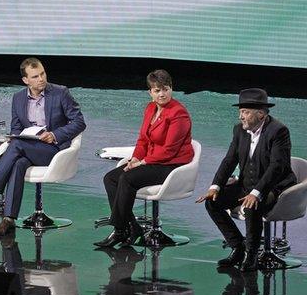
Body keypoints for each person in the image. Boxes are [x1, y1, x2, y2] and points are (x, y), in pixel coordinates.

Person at [0, 57, 86, 236]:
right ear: (25, 80)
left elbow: (79, 122)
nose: (41, 79)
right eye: (35, 76)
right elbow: (17, 128)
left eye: (42, 74)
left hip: (53, 150)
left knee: (17, 148)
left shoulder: (61, 93)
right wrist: (15, 138)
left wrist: (54, 135)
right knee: (17, 162)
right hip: (28, 147)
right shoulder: (18, 98)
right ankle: (8, 220)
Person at [196, 88, 296, 271]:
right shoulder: (239, 131)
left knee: (252, 204)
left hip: (275, 186)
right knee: (212, 203)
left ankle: (252, 255)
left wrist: (256, 193)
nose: (241, 116)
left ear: (261, 114)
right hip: (246, 184)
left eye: (246, 112)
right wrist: (215, 187)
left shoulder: (278, 131)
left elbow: (277, 167)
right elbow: (229, 160)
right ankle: (238, 247)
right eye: (240, 112)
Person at [95, 69, 193, 247]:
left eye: (165, 89)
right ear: (150, 93)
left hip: (172, 165)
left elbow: (169, 150)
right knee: (110, 178)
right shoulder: (150, 109)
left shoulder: (178, 113)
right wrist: (134, 159)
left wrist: (143, 162)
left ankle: (119, 230)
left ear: (171, 88)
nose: (162, 94)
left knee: (127, 178)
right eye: (157, 90)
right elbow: (142, 140)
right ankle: (131, 227)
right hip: (151, 160)